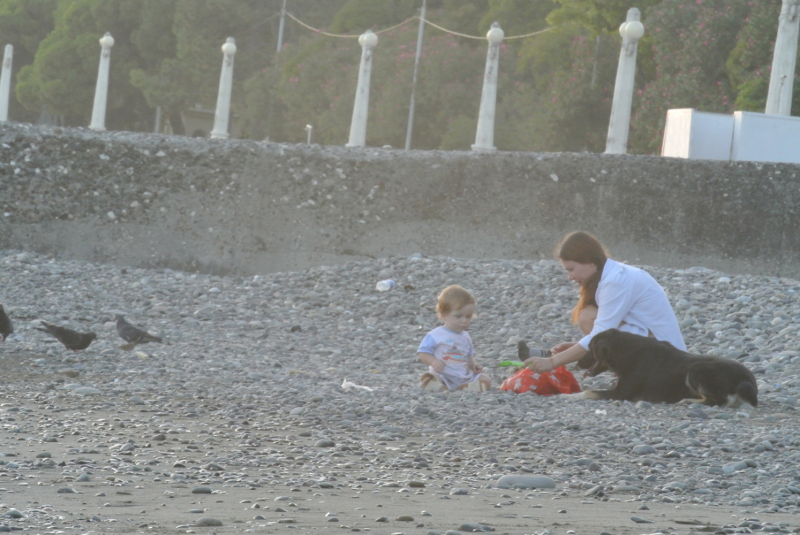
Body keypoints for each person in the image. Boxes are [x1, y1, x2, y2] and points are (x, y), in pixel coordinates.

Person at [524, 231, 686, 373]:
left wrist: (552, 362)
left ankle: (633, 369)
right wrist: (578, 347)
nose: (570, 277)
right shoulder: (613, 275)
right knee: (587, 315)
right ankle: (596, 357)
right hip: (655, 345)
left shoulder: (616, 281)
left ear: (590, 261)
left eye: (571, 269)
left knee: (589, 318)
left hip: (667, 358)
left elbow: (601, 334)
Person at [418, 285, 491, 392]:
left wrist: (474, 365)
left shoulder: (466, 336)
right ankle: (438, 385)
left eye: (468, 316)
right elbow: (422, 353)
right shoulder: (436, 334)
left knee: (486, 378)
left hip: (463, 376)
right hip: (444, 374)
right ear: (444, 315)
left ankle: (467, 387)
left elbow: (468, 355)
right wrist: (433, 361)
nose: (464, 320)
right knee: (432, 376)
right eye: (458, 316)